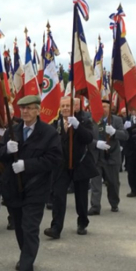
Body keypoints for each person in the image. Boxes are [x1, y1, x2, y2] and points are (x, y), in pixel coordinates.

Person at [0, 95, 62, 271]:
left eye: (30, 108)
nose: (25, 112)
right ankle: (26, 256)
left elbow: (55, 159)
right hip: (13, 188)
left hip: (36, 188)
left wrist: (28, 165)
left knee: (30, 228)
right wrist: (6, 149)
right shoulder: (13, 131)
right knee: (19, 227)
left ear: (38, 110)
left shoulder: (49, 133)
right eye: (22, 108)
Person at [45, 97, 97, 238]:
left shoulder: (84, 121)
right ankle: (56, 228)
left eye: (68, 105)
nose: (66, 108)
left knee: (81, 198)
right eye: (63, 106)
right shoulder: (55, 123)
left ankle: (82, 223)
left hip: (80, 164)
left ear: (74, 107)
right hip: (61, 166)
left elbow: (89, 138)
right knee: (58, 196)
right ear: (60, 108)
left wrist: (78, 126)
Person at [89, 100, 128, 214]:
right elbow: (87, 137)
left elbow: (125, 135)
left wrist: (115, 132)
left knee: (113, 183)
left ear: (110, 108)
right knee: (95, 183)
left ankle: (114, 203)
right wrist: (96, 143)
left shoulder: (117, 120)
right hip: (97, 156)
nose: (103, 109)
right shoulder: (92, 120)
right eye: (100, 106)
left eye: (105, 106)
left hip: (111, 157)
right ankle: (95, 206)